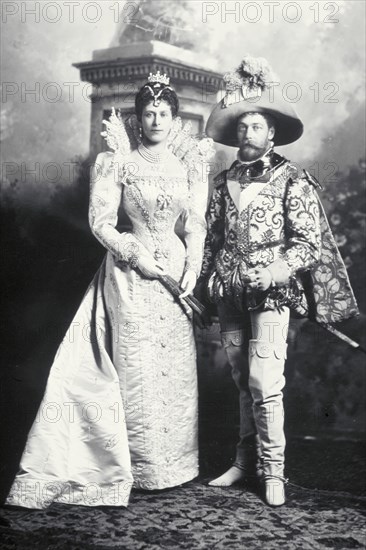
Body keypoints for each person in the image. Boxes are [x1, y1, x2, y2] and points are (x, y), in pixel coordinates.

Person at [5, 72, 212, 508]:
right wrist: (136, 255)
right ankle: (132, 467)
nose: (155, 119)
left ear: (175, 119)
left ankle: (172, 464)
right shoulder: (116, 161)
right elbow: (101, 222)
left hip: (175, 275)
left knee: (172, 368)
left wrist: (193, 265)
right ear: (138, 120)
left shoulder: (189, 164)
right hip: (130, 275)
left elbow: (195, 222)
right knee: (134, 366)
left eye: (163, 113)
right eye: (148, 113)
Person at [197, 56, 358, 506]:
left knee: (265, 380)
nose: (248, 132)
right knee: (240, 379)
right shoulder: (223, 179)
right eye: (243, 125)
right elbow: (211, 239)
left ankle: (273, 472)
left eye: (256, 126)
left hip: (271, 295)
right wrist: (207, 281)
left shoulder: (294, 180)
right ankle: (243, 462)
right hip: (229, 294)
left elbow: (308, 245)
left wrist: (272, 271)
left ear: (272, 134)